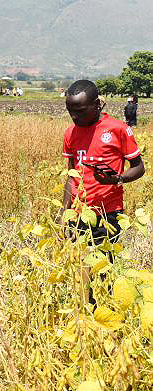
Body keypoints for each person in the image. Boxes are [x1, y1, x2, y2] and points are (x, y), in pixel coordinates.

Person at [59, 80, 145, 302]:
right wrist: (63, 213)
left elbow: (138, 168)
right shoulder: (70, 133)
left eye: (79, 111)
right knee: (80, 266)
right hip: (78, 213)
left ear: (97, 104)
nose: (74, 117)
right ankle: (87, 312)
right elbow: (71, 176)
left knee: (104, 268)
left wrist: (116, 179)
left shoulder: (118, 129)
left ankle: (108, 314)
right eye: (70, 112)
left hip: (107, 213)